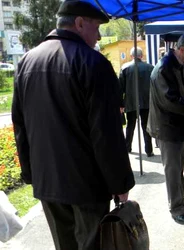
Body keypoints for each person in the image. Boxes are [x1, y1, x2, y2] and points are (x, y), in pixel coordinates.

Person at [11, 1, 135, 249]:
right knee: (93, 244)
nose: (99, 36)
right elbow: (107, 135)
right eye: (97, 27)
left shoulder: (26, 62)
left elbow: (20, 127)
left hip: (48, 182)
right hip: (86, 185)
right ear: (79, 23)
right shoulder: (94, 63)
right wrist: (120, 184)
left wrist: (31, 174)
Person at [148, 32, 184, 225]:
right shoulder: (164, 69)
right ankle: (176, 209)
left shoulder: (181, 66)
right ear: (182, 49)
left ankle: (180, 203)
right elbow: (169, 100)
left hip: (177, 124)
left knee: (179, 167)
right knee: (172, 170)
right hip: (166, 127)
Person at [119, 47, 155, 157]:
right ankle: (149, 150)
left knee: (130, 125)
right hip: (146, 101)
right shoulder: (150, 68)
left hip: (131, 101)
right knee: (146, 126)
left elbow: (120, 88)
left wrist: (120, 104)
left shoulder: (125, 68)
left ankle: (127, 147)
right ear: (142, 56)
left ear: (131, 56)